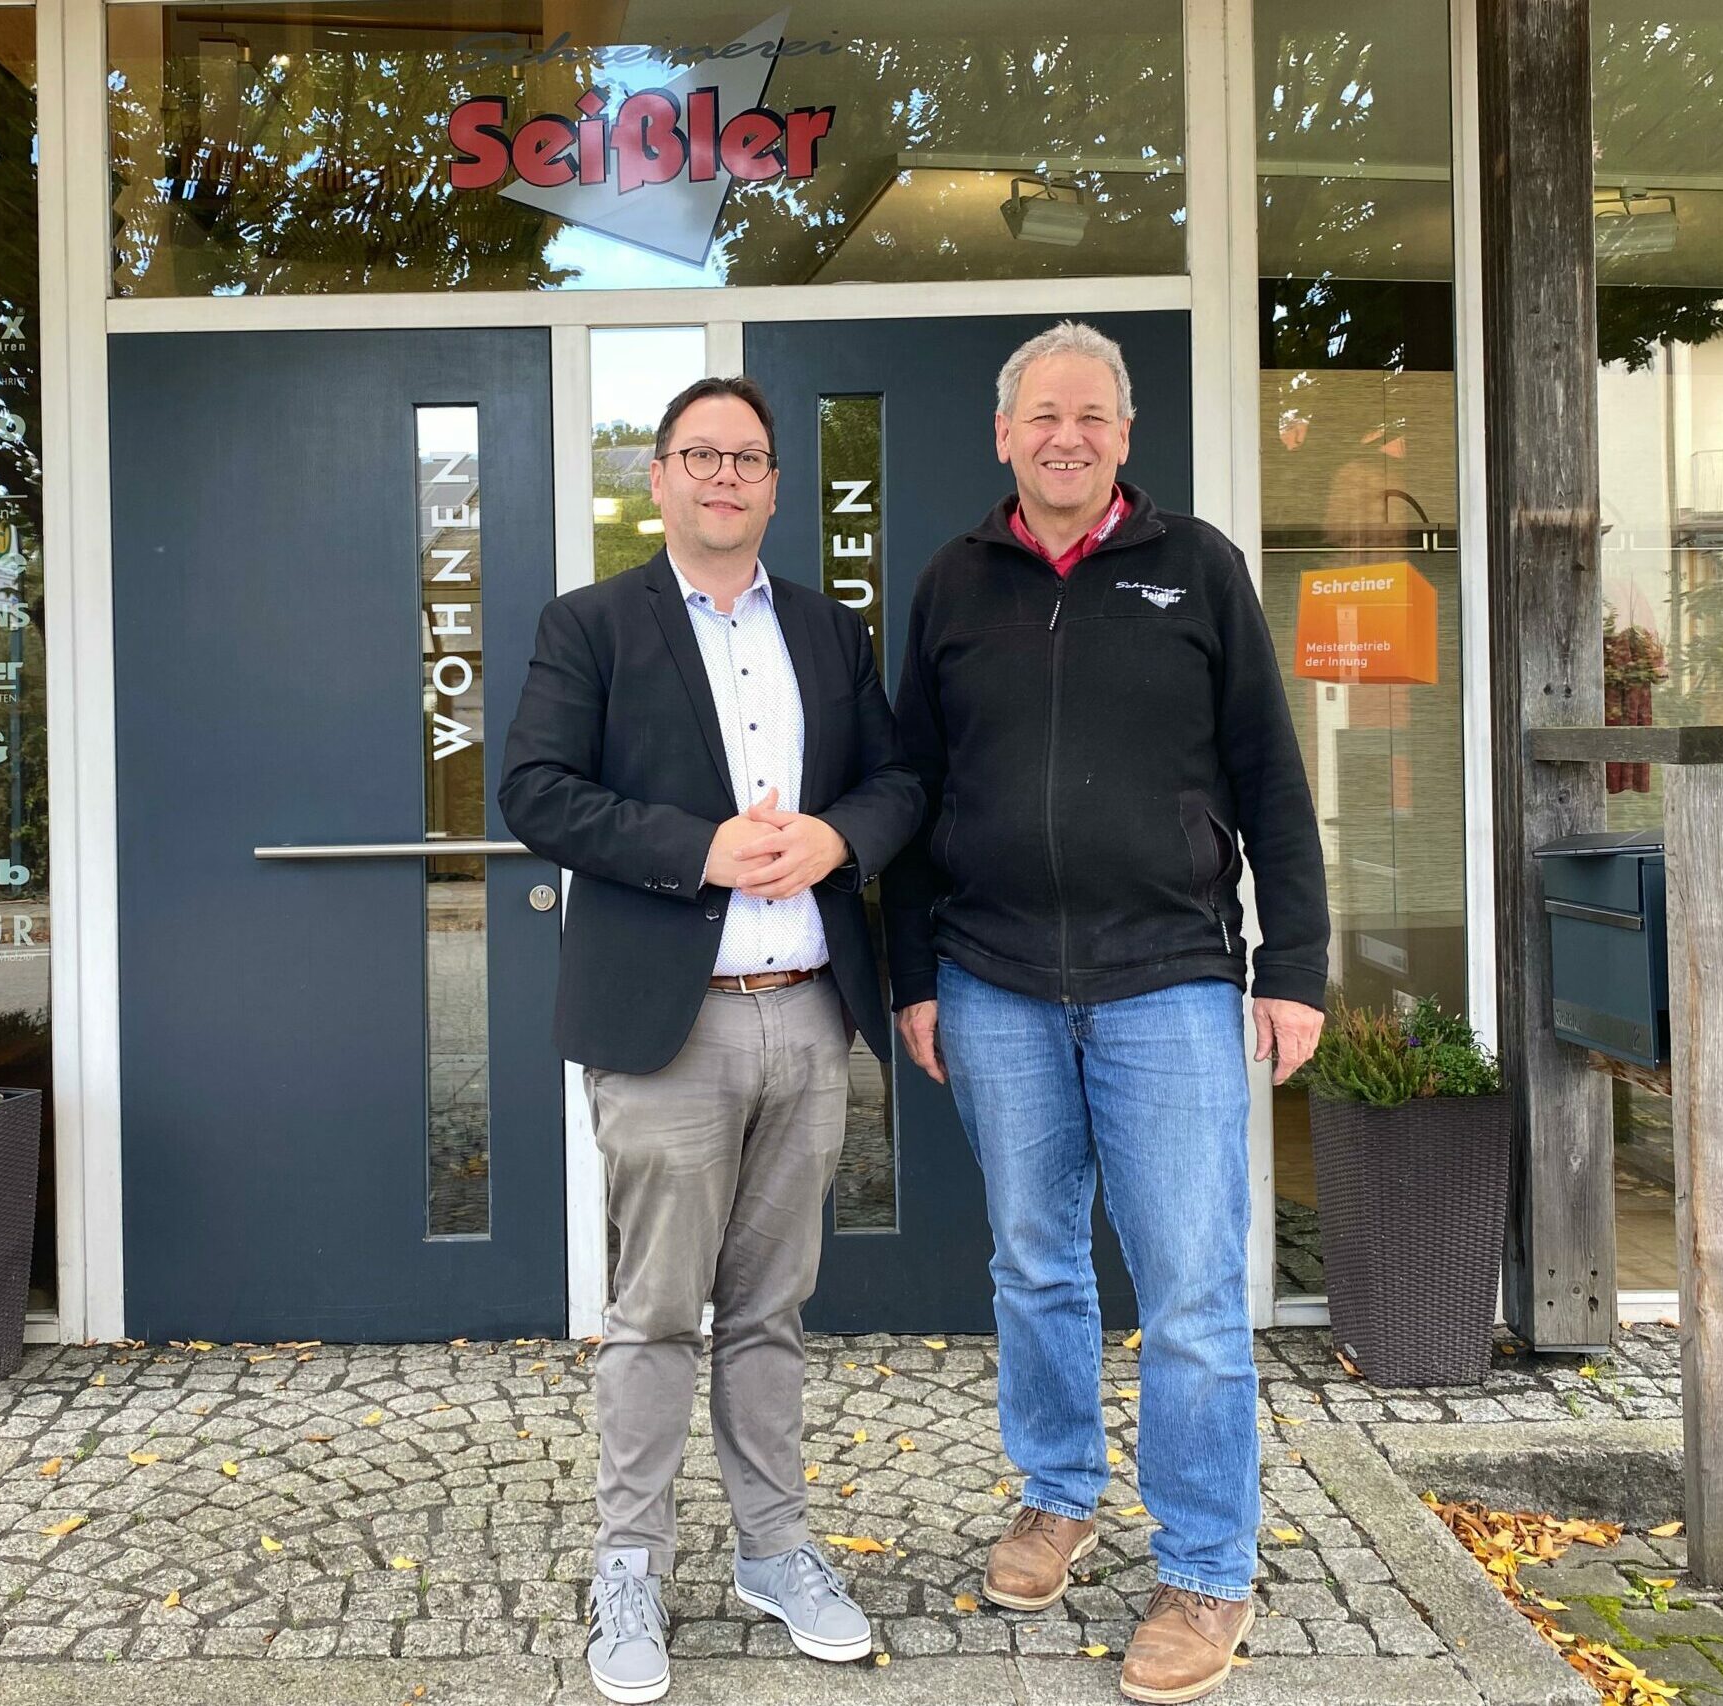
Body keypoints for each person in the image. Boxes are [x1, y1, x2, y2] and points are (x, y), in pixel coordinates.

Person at [884, 321, 1330, 1704]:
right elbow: (912, 793)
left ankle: (1206, 1565)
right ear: (1003, 435)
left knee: (1191, 1288)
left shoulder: (1200, 569)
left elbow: (1269, 776)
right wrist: (911, 974)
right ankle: (1059, 1493)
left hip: (1171, 981)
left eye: (1091, 415)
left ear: (1126, 435)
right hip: (993, 980)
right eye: (1042, 415)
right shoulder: (954, 582)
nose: (1066, 435)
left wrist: (1295, 962)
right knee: (1034, 1262)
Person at [499, 375, 924, 1705]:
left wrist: (837, 838)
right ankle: (629, 1564)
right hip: (666, 1026)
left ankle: (774, 1550)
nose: (725, 475)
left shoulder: (830, 629)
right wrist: (703, 849)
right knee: (652, 1314)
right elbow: (534, 791)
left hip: (808, 1010)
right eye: (700, 455)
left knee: (771, 1307)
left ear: (776, 485)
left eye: (747, 457)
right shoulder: (590, 625)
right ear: (660, 477)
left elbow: (902, 782)